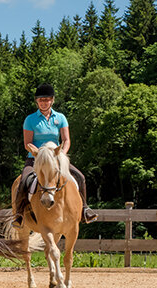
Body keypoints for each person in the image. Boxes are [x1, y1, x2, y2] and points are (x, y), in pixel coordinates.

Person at [13, 83, 98, 227]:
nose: (44, 102)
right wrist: (41, 155)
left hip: (57, 159)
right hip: (36, 159)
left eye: (47, 99)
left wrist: (61, 156)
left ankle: (85, 209)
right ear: (36, 101)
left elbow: (66, 140)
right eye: (41, 100)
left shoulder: (61, 117)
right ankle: (19, 214)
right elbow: (27, 143)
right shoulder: (30, 119)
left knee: (81, 177)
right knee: (24, 181)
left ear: (52, 100)